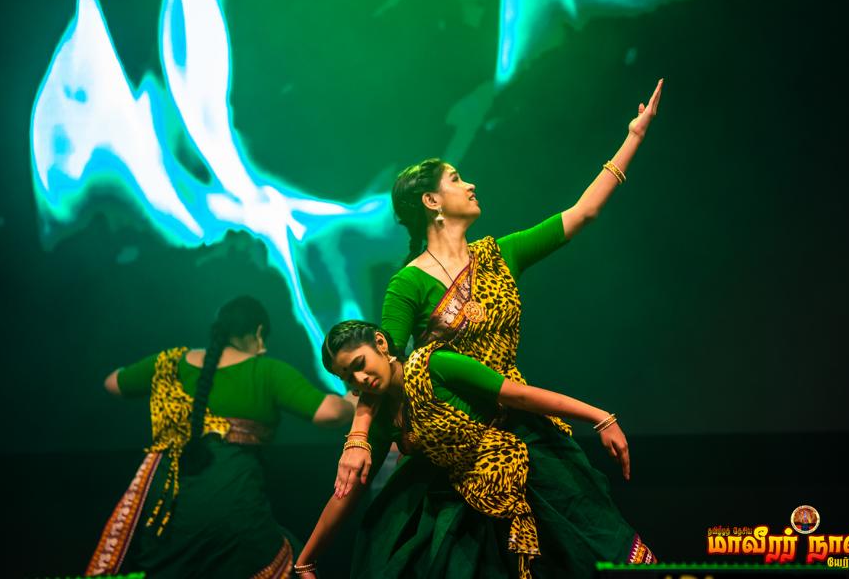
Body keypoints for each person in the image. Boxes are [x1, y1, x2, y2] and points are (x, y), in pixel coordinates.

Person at [334, 79, 664, 498]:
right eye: (456, 179)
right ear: (432, 202)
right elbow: (384, 367)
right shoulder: (408, 283)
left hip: (519, 420)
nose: (470, 185)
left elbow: (584, 212)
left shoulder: (501, 254)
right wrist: (358, 437)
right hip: (459, 444)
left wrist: (634, 137)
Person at [294, 321, 655, 578]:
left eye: (359, 365)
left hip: (528, 473)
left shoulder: (435, 365)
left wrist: (599, 418)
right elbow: (349, 490)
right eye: (348, 378)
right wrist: (306, 559)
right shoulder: (384, 416)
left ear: (381, 343)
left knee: (590, 555)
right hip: (469, 504)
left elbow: (520, 395)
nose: (360, 379)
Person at [86, 295, 354, 578]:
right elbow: (330, 413)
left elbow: (113, 383)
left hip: (165, 518)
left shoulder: (169, 363)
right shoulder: (265, 371)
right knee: (293, 564)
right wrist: (352, 400)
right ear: (258, 333)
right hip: (232, 515)